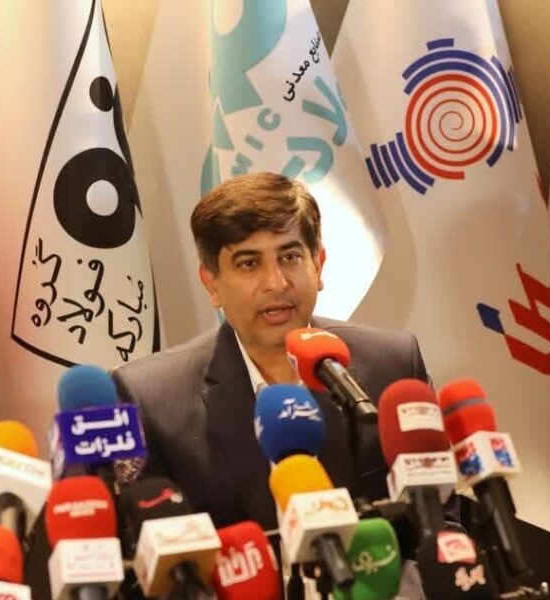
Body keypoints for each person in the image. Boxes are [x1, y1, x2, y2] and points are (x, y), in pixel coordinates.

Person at [112, 172, 432, 597]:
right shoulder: (151, 400)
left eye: (290, 257)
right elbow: (145, 575)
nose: (277, 283)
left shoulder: (391, 364)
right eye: (249, 263)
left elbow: (437, 528)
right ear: (212, 284)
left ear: (318, 265)